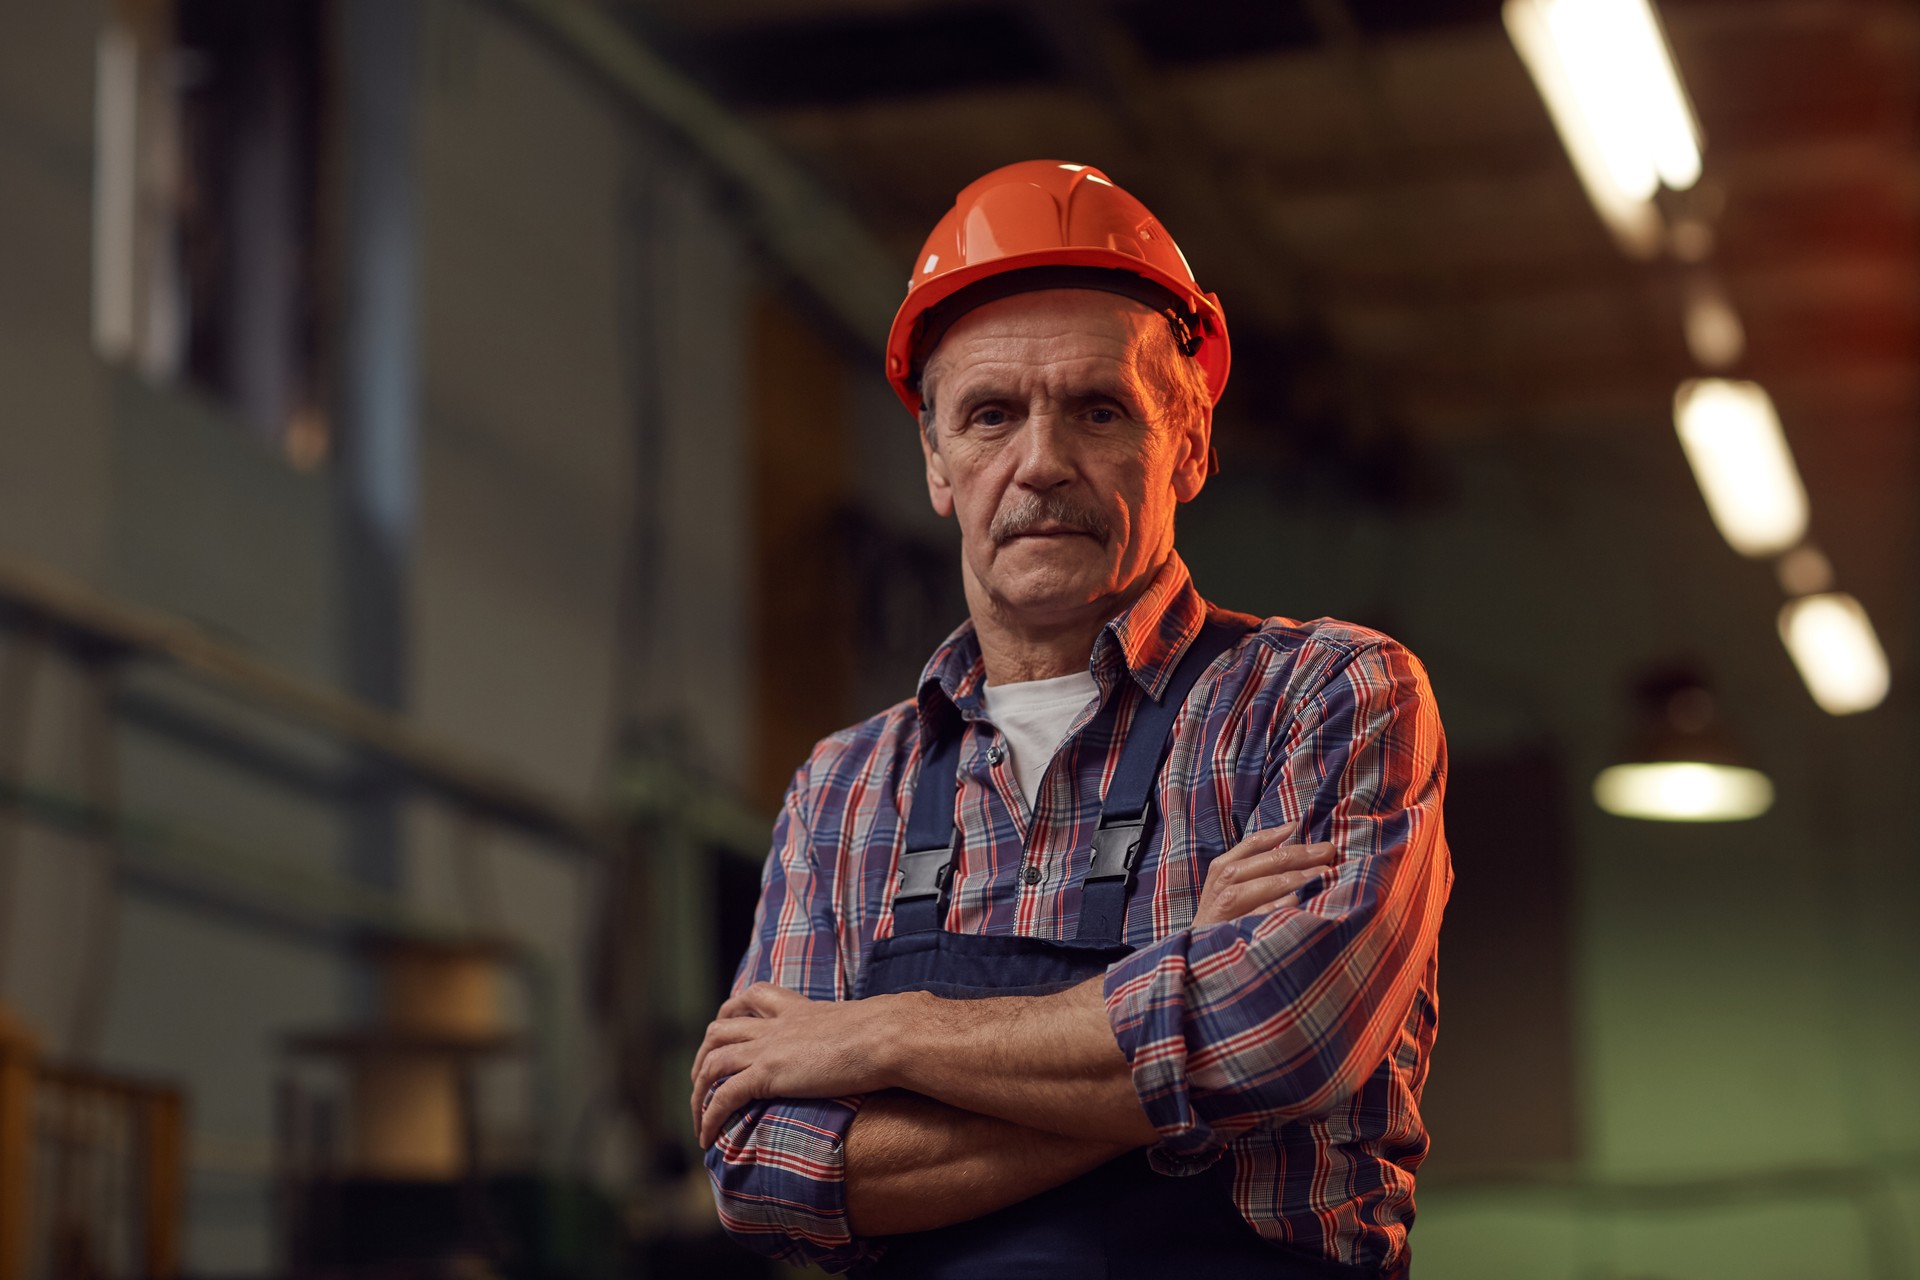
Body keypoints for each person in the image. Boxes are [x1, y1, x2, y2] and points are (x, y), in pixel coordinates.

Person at [692, 160, 1450, 1279]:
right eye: (991, 414)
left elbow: (1285, 1030)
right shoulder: (846, 789)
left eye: (1098, 409)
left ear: (1189, 440)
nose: (1040, 463)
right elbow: (765, 1172)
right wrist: (1183, 985)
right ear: (937, 462)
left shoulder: (1324, 698)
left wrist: (879, 1034)